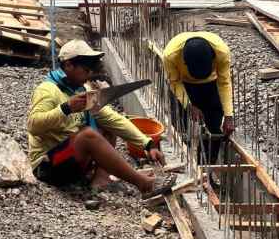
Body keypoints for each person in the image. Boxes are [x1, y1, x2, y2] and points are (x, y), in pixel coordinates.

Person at [27, 40, 172, 197]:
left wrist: (147, 143)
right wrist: (66, 108)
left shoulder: (80, 89)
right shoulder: (47, 91)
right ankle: (143, 184)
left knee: (107, 126)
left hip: (71, 159)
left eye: (91, 70)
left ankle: (100, 178)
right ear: (68, 65)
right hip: (49, 166)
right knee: (88, 135)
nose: (90, 74)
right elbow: (33, 126)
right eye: (86, 69)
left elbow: (112, 118)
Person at [162, 32, 234, 165]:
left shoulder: (221, 52)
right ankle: (182, 159)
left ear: (213, 58)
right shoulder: (170, 55)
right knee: (179, 124)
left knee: (214, 130)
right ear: (184, 62)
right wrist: (189, 105)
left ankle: (206, 167)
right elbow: (174, 82)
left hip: (210, 85)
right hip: (183, 85)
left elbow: (224, 82)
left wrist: (228, 116)